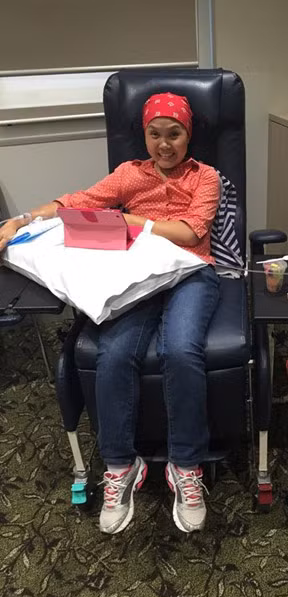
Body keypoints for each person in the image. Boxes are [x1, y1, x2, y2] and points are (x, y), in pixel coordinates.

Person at [0, 92, 221, 535]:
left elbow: (189, 232)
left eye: (174, 134)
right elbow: (77, 202)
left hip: (191, 272)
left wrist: (132, 221)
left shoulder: (206, 177)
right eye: (155, 134)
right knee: (115, 353)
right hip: (137, 274)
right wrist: (20, 220)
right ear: (144, 135)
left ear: (188, 135)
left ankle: (185, 464)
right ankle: (121, 464)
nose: (164, 144)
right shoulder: (129, 175)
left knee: (181, 350)